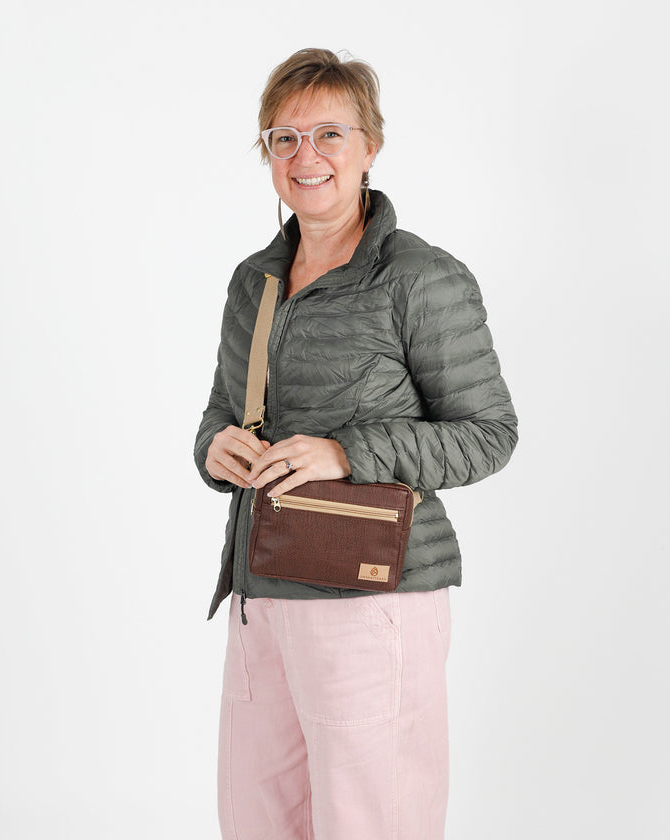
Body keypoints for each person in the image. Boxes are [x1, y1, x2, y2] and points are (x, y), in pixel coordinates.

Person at [194, 47, 517, 840]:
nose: (307, 157)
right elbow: (217, 413)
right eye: (285, 139)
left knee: (373, 824)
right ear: (267, 154)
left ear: (370, 145)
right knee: (256, 822)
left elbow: (489, 435)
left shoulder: (420, 278)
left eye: (329, 134)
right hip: (261, 593)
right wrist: (214, 451)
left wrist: (347, 453)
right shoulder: (255, 282)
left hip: (376, 600)